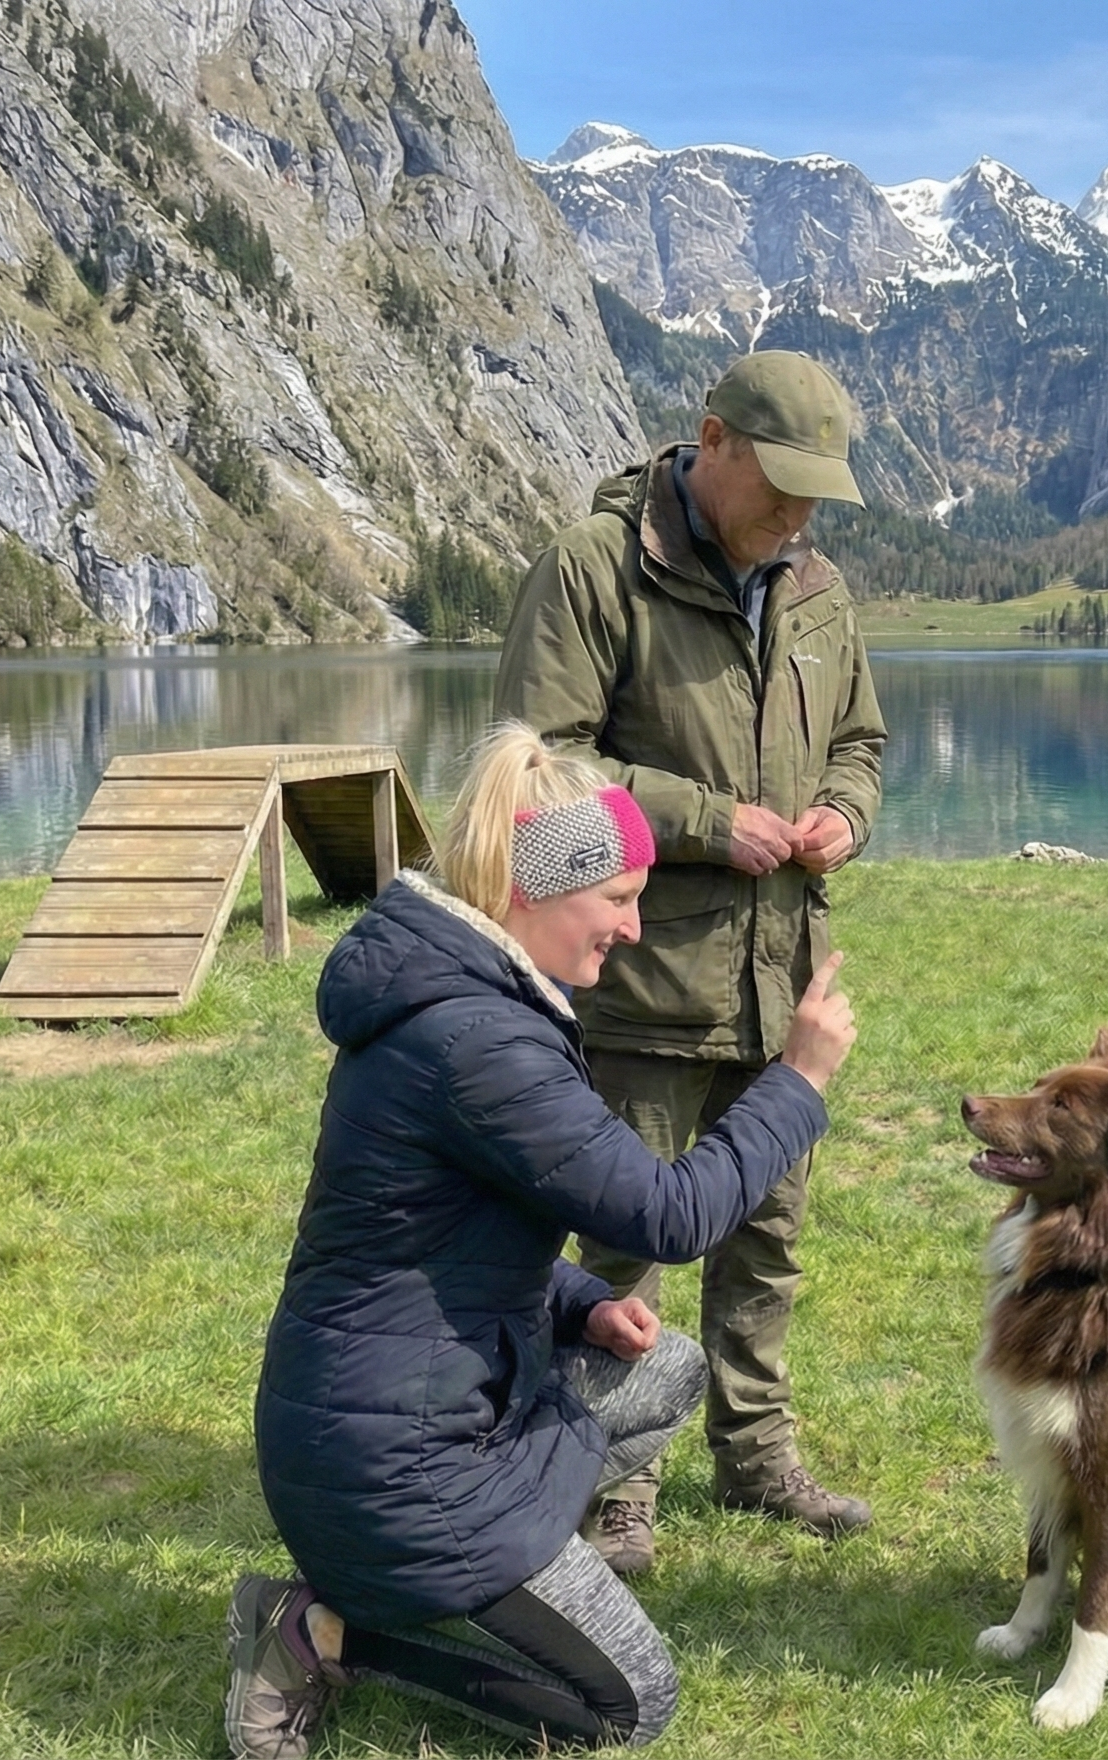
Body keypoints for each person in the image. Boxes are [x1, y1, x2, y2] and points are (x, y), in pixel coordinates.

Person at [226, 723, 857, 1758]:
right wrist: (797, 1082)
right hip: (396, 1470)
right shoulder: (480, 1041)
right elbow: (669, 1214)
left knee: (663, 1368)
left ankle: (482, 1571)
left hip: (378, 1430)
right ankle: (324, 1632)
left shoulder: (460, 997)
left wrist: (579, 1303)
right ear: (537, 884)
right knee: (634, 1705)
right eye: (617, 899)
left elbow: (433, 1233)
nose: (636, 927)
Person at [492, 350, 885, 1571]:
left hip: (782, 984)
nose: (800, 517)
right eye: (780, 487)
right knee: (621, 1246)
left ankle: (755, 1450)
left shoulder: (818, 589)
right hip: (641, 987)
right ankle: (612, 1481)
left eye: (820, 496)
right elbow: (533, 776)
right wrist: (709, 819)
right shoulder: (598, 566)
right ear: (711, 441)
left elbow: (863, 742)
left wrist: (845, 817)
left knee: (767, 1236)